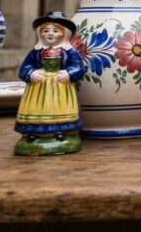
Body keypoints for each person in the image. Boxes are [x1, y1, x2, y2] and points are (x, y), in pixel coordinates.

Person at [13, 11, 86, 156]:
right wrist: (31, 73)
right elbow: (24, 69)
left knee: (60, 108)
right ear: (40, 33)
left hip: (60, 87)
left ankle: (62, 132)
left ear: (64, 33)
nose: (50, 34)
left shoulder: (70, 52)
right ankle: (33, 133)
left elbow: (79, 67)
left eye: (55, 30)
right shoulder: (36, 52)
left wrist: (69, 73)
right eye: (46, 30)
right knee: (37, 109)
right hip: (38, 87)